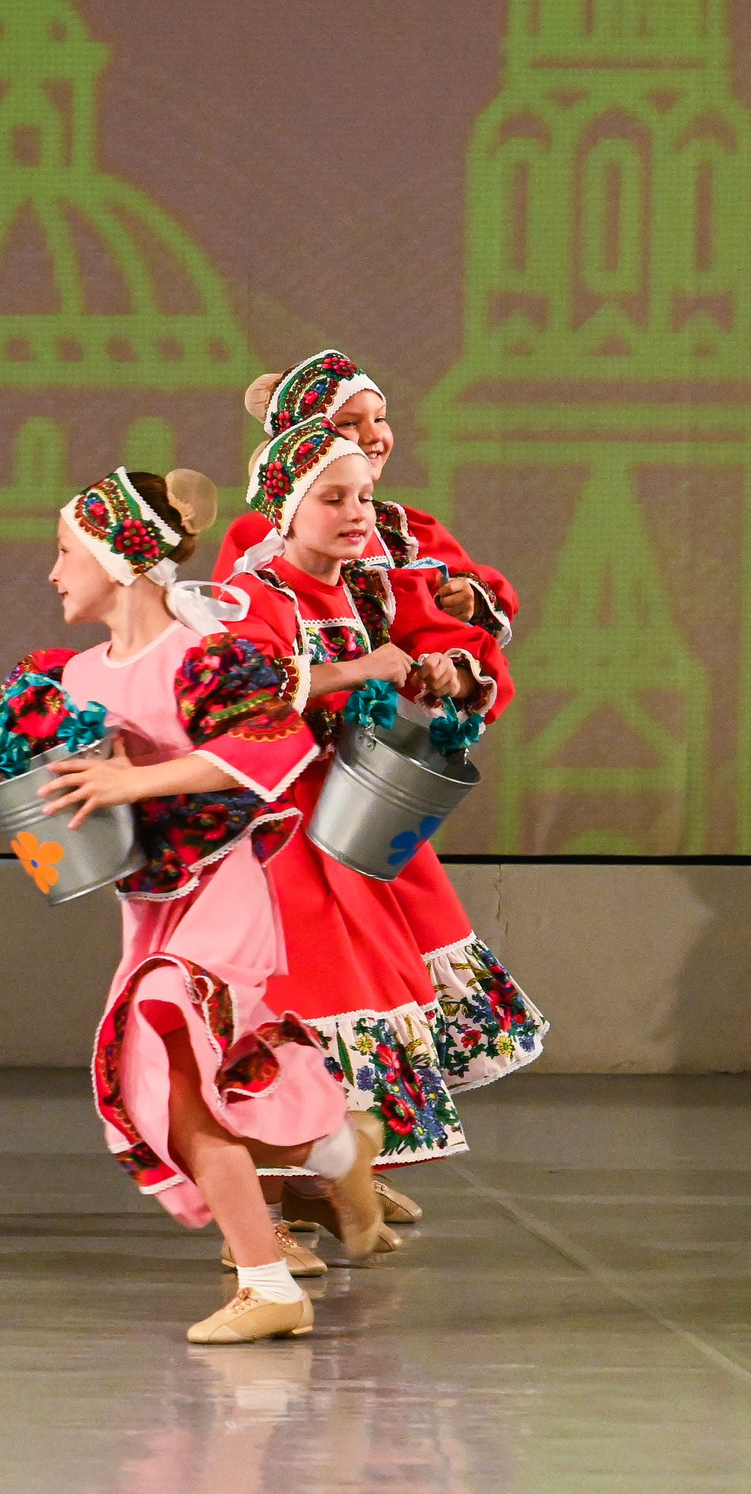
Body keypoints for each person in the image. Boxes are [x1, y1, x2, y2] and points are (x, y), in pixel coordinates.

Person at [0, 464, 391, 1343]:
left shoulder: (202, 656)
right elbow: (33, 762)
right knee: (193, 1089)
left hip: (225, 887)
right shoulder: (74, 676)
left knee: (168, 1041)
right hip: (150, 903)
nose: (54, 573)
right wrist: (12, 774)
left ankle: (269, 1281)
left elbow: (267, 745)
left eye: (64, 552)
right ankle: (334, 1147)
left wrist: (137, 777)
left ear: (118, 558)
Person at [216, 353, 545, 1227]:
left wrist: (452, 669)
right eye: (343, 452)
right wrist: (363, 667)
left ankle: (341, 1167)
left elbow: (439, 634)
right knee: (301, 993)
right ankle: (278, 1199)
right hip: (284, 816)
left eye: (376, 425)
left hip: (358, 802)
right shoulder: (260, 571)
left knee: (374, 979)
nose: (367, 460)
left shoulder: (381, 560)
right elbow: (239, 685)